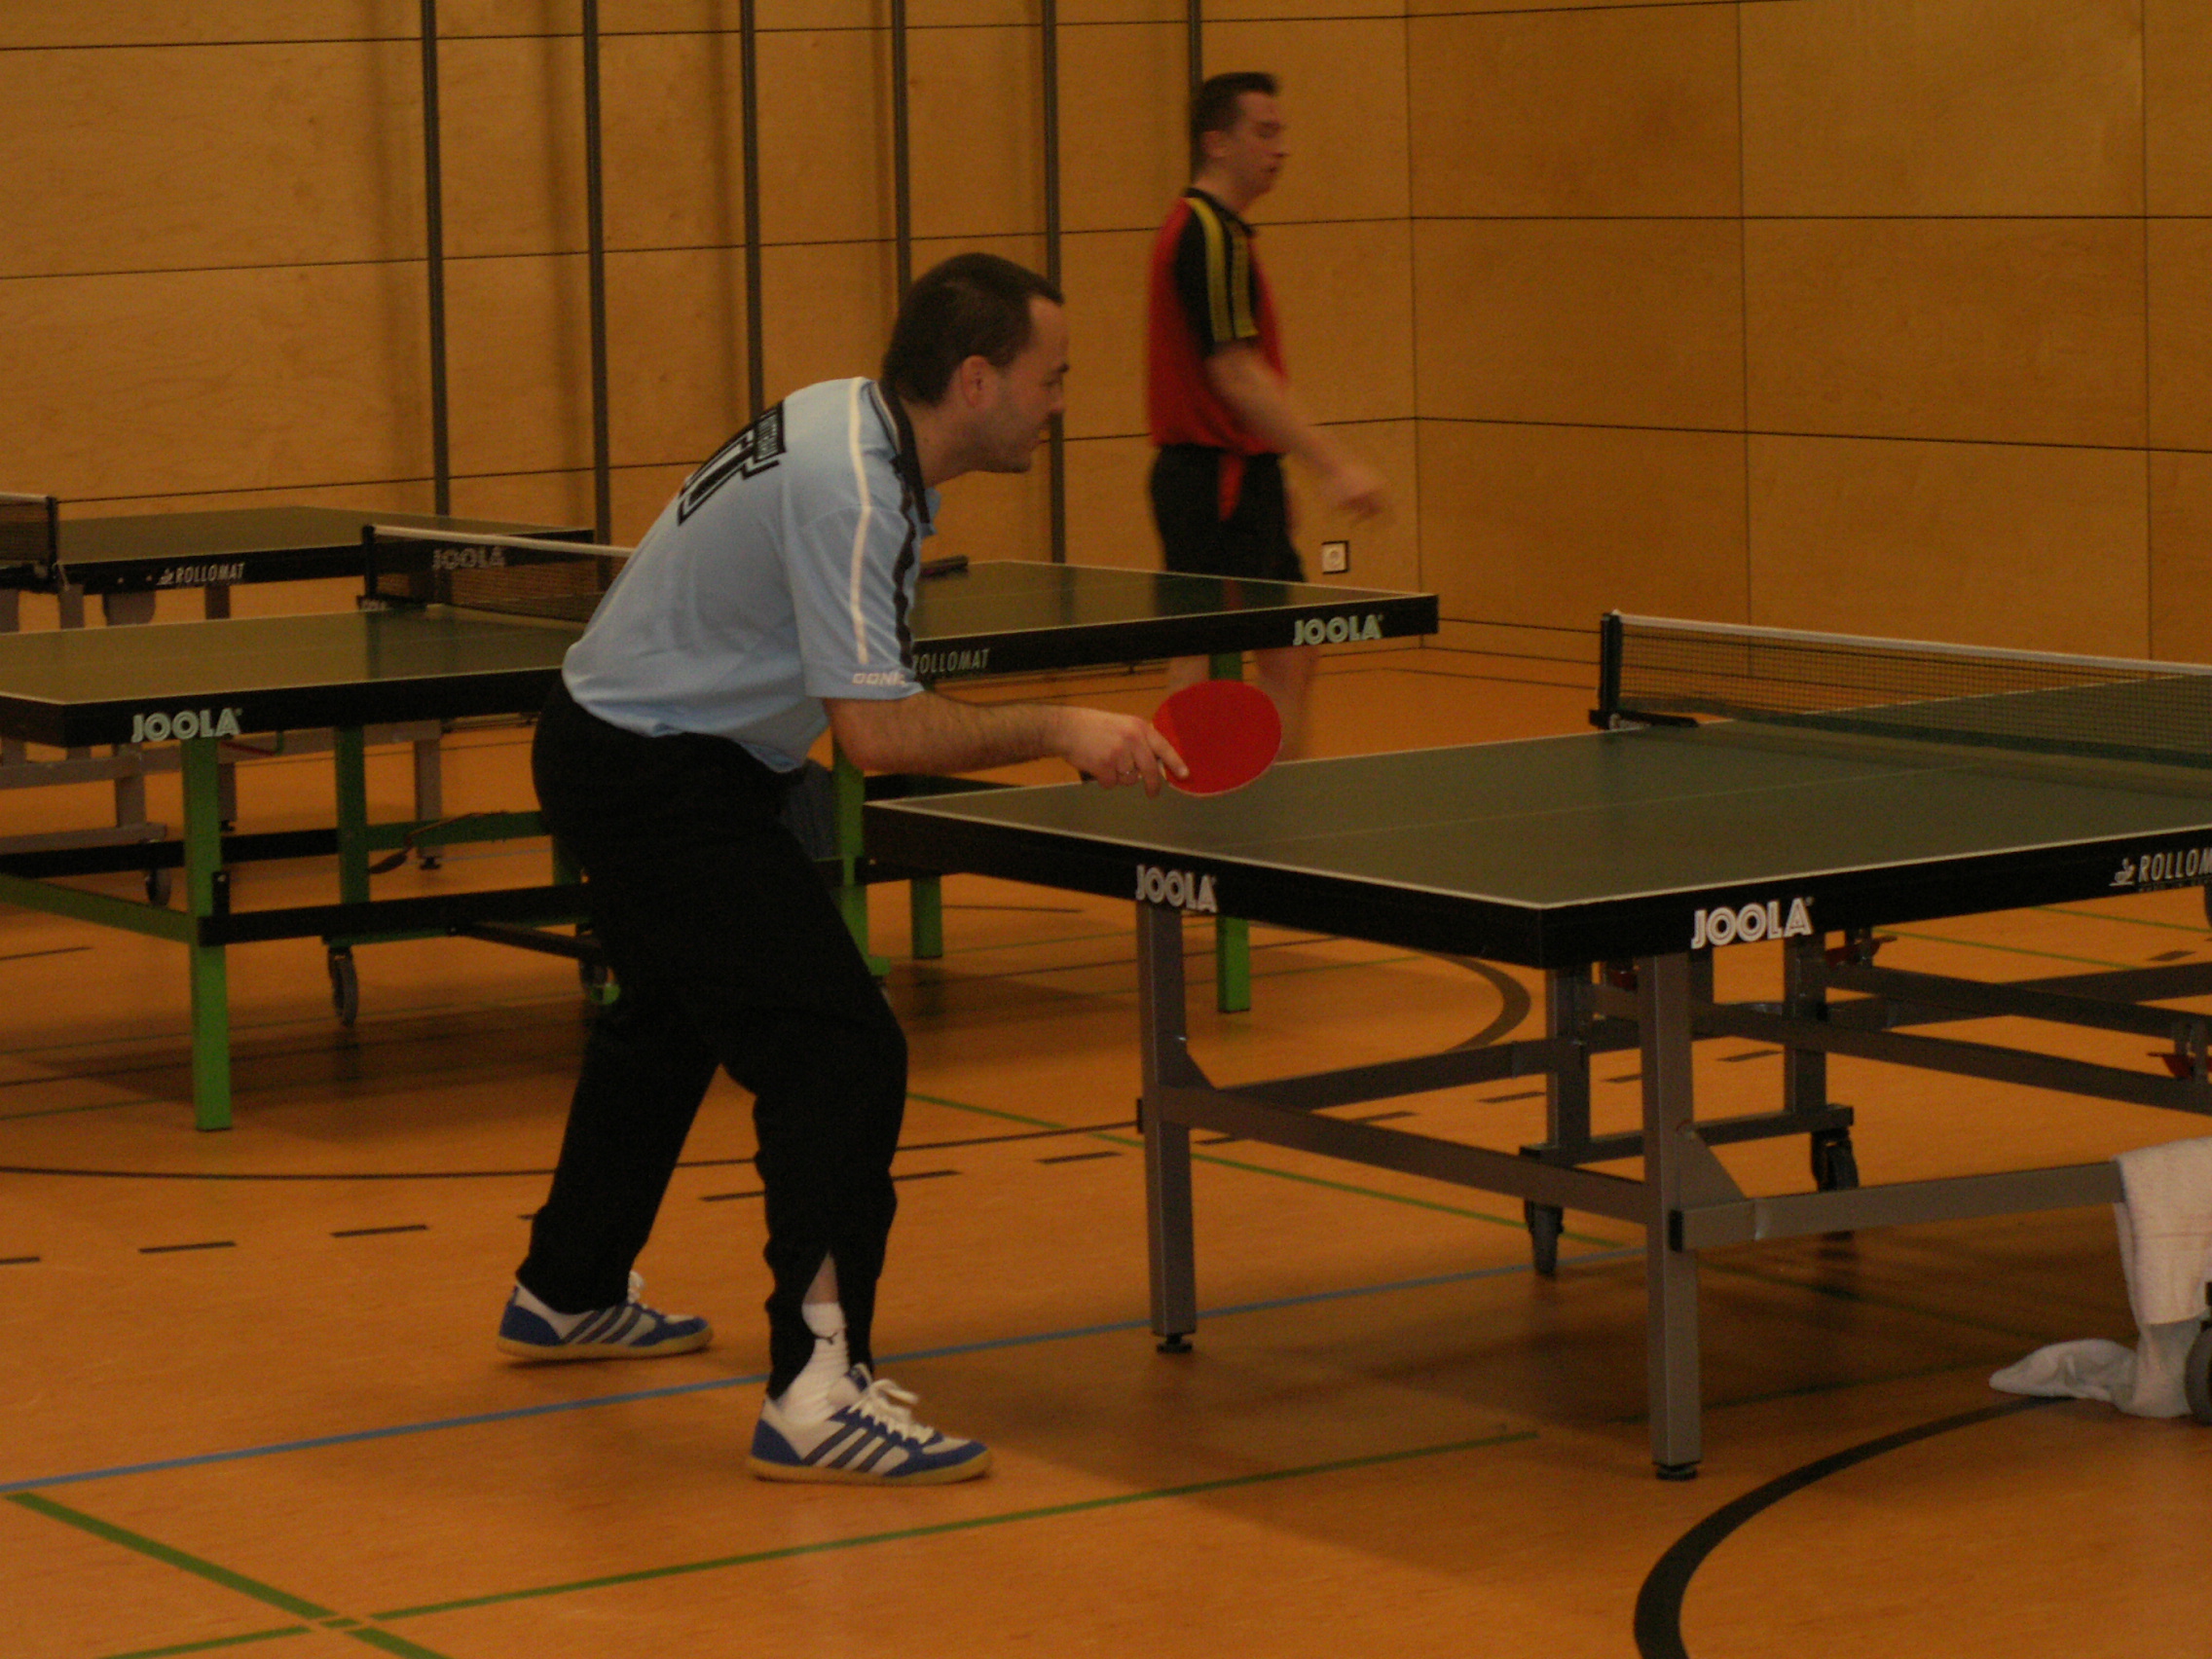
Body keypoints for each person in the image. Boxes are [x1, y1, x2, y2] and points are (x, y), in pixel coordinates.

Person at [495, 253, 1184, 1486]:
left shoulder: (851, 425)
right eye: (1051, 377)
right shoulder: (854, 489)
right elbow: (875, 736)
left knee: (669, 1014)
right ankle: (815, 1394)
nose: (1060, 402)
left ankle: (569, 1286)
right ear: (976, 381)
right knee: (839, 1053)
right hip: (655, 770)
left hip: (635, 745)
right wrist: (1064, 727)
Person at [1146, 71, 1388, 756]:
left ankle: (1275, 792)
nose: (1280, 148)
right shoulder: (1207, 234)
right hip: (1210, 481)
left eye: (1281, 133)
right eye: (1264, 132)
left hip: (1235, 476)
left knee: (1290, 649)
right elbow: (1235, 373)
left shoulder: (1222, 232)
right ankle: (1172, 787)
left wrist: (1270, 477)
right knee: (1202, 652)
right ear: (1216, 142)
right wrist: (1332, 465)